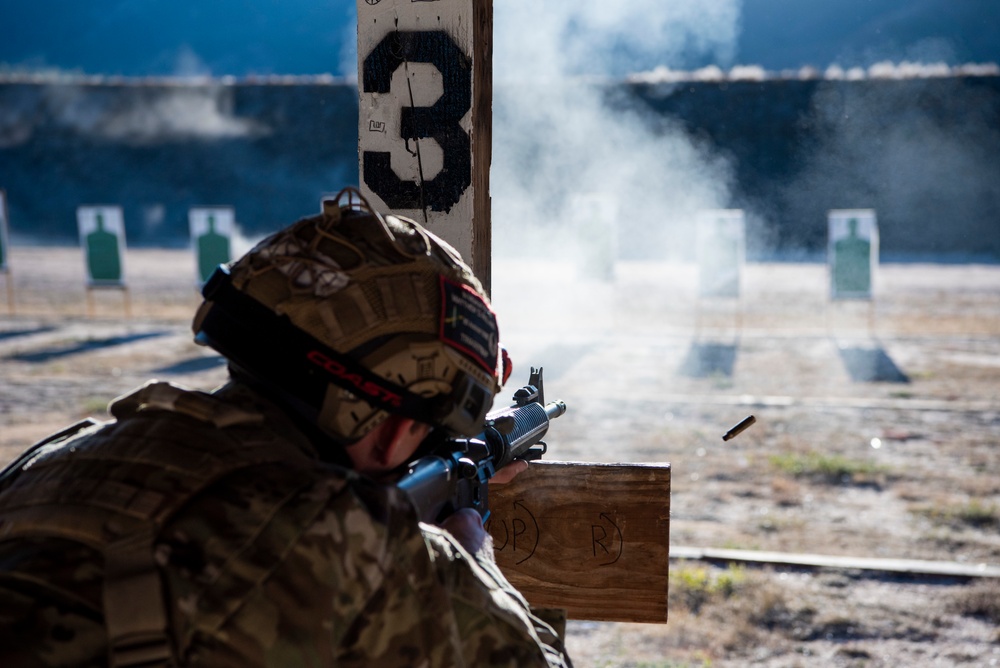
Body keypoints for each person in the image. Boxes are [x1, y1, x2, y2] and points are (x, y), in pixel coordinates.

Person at [0, 188, 572, 667]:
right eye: (430, 433)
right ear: (395, 430)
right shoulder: (352, 543)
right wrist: (476, 565)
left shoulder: (45, 466)